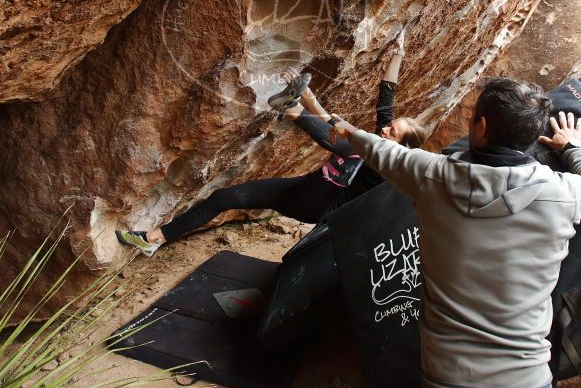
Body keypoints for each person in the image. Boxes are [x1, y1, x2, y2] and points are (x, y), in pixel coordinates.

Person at [329, 78, 581, 388]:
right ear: (528, 135)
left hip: (448, 379)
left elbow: (379, 150)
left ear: (480, 126)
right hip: (526, 380)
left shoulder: (430, 175)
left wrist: (349, 132)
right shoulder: (563, 194)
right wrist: (573, 148)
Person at [116, 27, 429, 256]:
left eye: (393, 132)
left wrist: (311, 102)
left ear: (403, 148)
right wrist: (399, 50)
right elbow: (386, 97)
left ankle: (290, 106)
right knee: (224, 198)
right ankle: (153, 239)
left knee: (348, 147)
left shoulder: (389, 168)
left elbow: (343, 137)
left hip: (319, 204)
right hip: (305, 189)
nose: (385, 129)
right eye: (389, 127)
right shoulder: (383, 138)